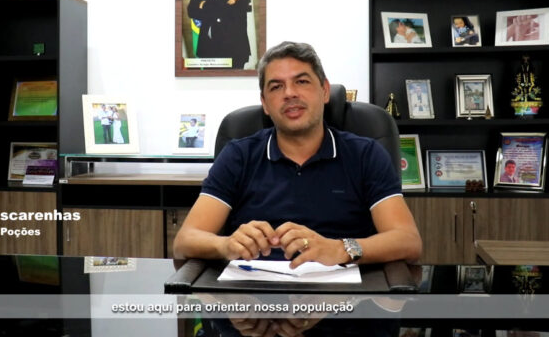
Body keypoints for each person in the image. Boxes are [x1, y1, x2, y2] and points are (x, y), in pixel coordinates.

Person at [173, 41, 422, 268]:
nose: (289, 93)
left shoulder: (366, 154)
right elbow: (185, 241)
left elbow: (408, 241)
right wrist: (226, 245)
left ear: (325, 91)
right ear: (265, 103)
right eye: (276, 86)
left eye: (301, 82)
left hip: (343, 294)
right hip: (253, 294)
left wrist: (340, 249)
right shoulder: (238, 155)